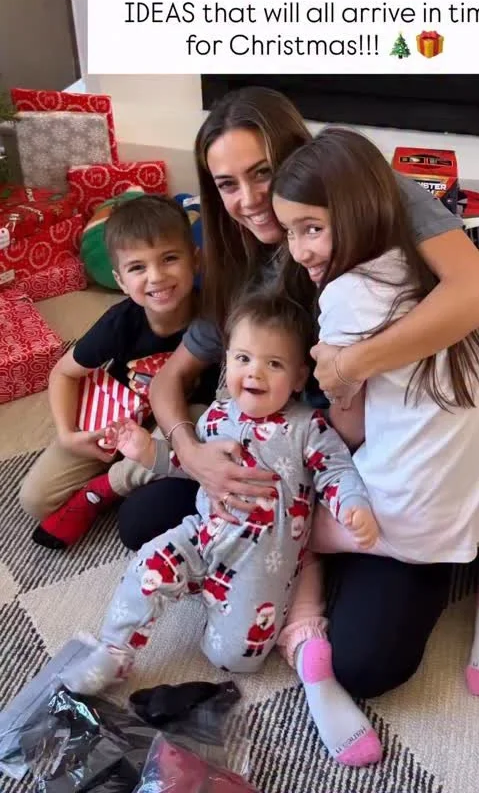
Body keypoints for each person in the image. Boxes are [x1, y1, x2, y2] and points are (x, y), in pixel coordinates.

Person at [120, 85, 479, 699]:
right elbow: (172, 376)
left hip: (378, 455)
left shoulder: (368, 197)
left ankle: (426, 554)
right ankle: (309, 550)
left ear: (296, 158)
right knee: (142, 519)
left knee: (367, 665)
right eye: (227, 185)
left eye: (262, 173)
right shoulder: (237, 257)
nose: (250, 201)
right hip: (287, 450)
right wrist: (190, 451)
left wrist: (348, 366)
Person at [271, 126, 479, 697]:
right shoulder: (448, 276)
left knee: (290, 521)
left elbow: (351, 429)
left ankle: (302, 630)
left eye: (313, 228)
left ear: (359, 213)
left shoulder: (346, 296)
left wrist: (334, 386)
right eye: (290, 232)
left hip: (404, 523)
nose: (299, 251)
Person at [61, 291, 383, 769]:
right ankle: (114, 650)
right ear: (226, 361)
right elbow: (183, 463)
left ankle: (273, 623)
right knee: (148, 564)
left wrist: (353, 507)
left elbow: (336, 471)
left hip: (260, 563)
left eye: (273, 364)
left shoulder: (308, 428)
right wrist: (145, 449)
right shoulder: (215, 416)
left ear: (299, 377)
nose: (254, 373)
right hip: (202, 535)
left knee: (231, 657)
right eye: (243, 359)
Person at [19, 195, 218, 549]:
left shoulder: (214, 317)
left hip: (178, 422)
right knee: (36, 500)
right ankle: (127, 476)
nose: (156, 277)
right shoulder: (120, 321)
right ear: (121, 281)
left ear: (195, 259)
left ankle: (105, 487)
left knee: (197, 420)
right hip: (117, 417)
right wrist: (67, 434)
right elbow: (63, 374)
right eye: (138, 267)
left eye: (169, 259)